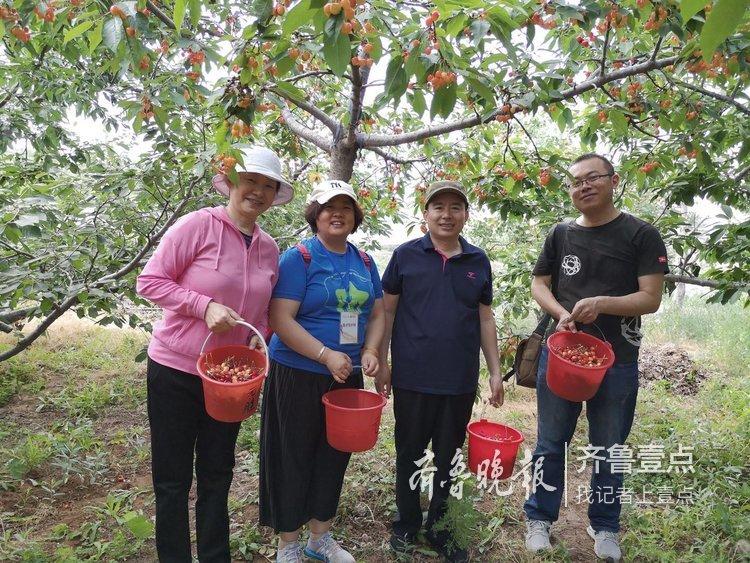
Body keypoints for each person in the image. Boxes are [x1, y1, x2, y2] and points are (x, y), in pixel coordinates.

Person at [136, 146, 293, 562]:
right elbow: (149, 282)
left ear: (274, 194)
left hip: (229, 380)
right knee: (171, 480)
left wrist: (260, 347)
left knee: (217, 474)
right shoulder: (198, 226)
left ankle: (214, 556)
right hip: (175, 369)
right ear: (231, 183)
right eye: (251, 181)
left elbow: (261, 317)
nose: (257, 191)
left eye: (267, 185)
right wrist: (202, 306)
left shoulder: (268, 248)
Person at [523, 153, 668, 562]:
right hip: (562, 355)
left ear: (613, 180)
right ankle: (539, 517)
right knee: (551, 441)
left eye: (592, 178)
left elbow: (650, 298)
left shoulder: (640, 234)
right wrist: (560, 313)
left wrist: (602, 303)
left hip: (617, 361)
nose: (583, 186)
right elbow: (540, 283)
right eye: (575, 182)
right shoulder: (561, 234)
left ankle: (605, 526)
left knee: (609, 446)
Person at [378, 181, 505, 563]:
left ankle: (442, 527)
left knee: (448, 456)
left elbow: (485, 317)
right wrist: (381, 361)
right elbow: (386, 311)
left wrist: (495, 371)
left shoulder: (478, 261)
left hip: (459, 379)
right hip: (412, 376)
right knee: (410, 452)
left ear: (466, 214)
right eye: (438, 207)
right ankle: (406, 524)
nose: (446, 215)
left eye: (455, 207)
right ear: (426, 214)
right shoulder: (405, 256)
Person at [259, 180, 385, 563]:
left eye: (346, 207)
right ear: (316, 214)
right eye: (329, 207)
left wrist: (370, 349)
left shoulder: (364, 261)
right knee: (292, 454)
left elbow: (377, 312)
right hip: (298, 371)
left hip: (346, 375)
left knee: (334, 455)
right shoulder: (299, 258)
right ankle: (289, 543)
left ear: (355, 217)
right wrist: (325, 354)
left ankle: (320, 538)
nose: (337, 214)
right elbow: (280, 318)